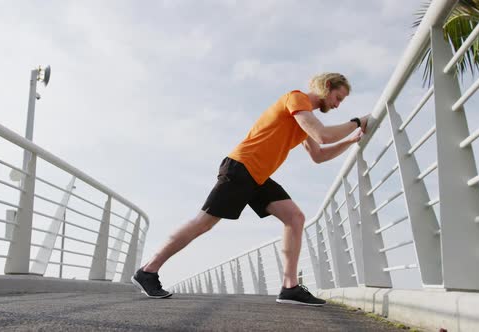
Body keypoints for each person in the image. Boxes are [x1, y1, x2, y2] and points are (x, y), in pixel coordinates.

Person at [131, 73, 368, 306]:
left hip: (259, 176)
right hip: (242, 168)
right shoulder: (296, 99)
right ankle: (148, 271)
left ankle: (290, 287)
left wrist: (350, 139)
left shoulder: (305, 118)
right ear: (327, 86)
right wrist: (357, 122)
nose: (337, 105)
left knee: (294, 217)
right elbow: (324, 136)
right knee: (203, 223)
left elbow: (318, 155)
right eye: (338, 98)